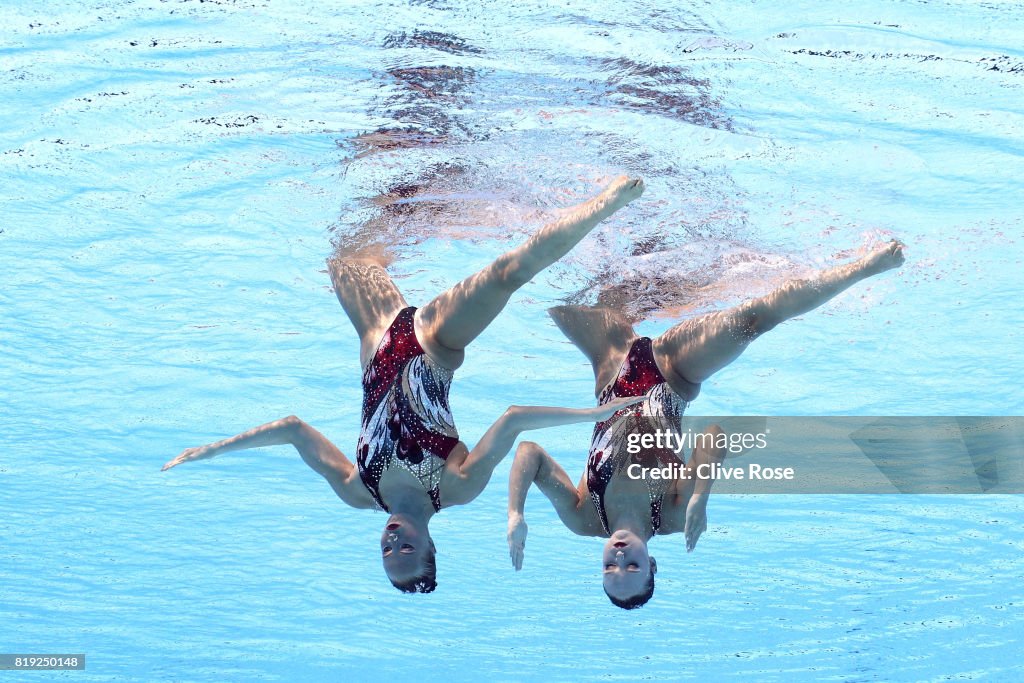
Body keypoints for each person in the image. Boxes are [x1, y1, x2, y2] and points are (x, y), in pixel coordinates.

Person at [162, 176, 646, 593]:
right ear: (430, 545)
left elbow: (291, 428)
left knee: (359, 239)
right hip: (433, 343)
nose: (393, 541)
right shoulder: (456, 488)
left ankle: (428, 177)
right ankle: (605, 204)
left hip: (376, 335)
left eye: (387, 551)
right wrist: (592, 416)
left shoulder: (360, 493)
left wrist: (213, 449)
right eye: (407, 548)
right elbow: (514, 419)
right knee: (505, 274)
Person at [506, 240, 906, 608]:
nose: (620, 558)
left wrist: (516, 514)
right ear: (653, 565)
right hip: (673, 372)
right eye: (633, 568)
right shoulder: (676, 516)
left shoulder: (584, 519)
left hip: (610, 363)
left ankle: (660, 269)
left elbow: (530, 453)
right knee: (752, 321)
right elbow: (714, 437)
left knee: (597, 278)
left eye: (609, 569)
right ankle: (863, 268)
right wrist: (700, 496)